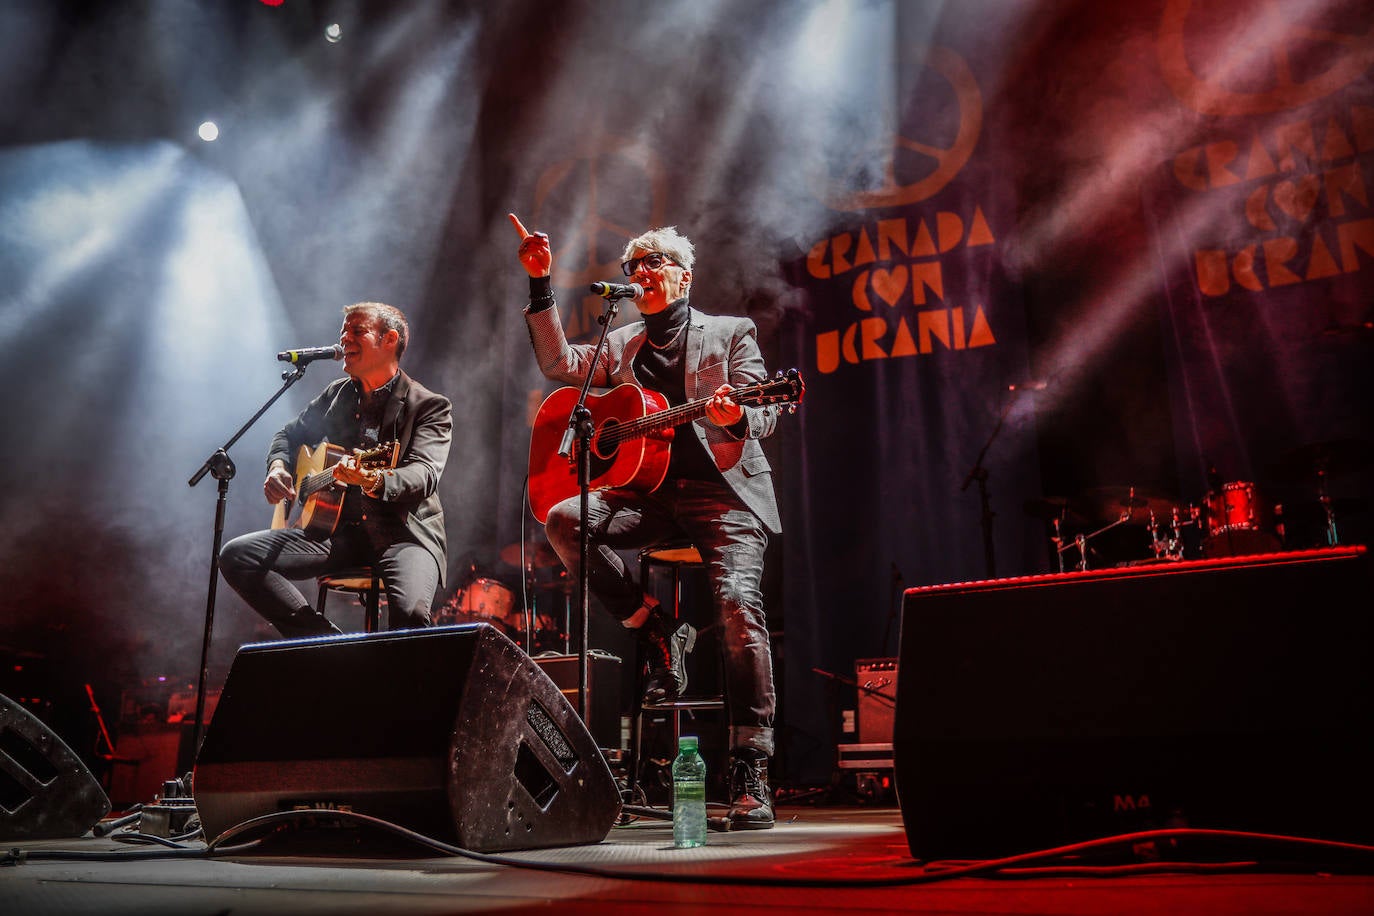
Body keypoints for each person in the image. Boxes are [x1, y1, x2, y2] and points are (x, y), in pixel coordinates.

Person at [509, 213, 781, 830]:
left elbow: (763, 414)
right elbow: (557, 365)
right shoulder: (622, 340)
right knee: (561, 519)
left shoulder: (730, 333)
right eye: (632, 268)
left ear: (682, 278)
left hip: (724, 496)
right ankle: (655, 627)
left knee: (738, 607)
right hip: (649, 497)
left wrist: (735, 417)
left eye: (652, 265)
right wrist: (541, 282)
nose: (640, 275)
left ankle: (751, 768)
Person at [219, 302, 452, 639]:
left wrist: (372, 478)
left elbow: (424, 474)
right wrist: (279, 467)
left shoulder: (428, 406)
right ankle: (327, 645)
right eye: (343, 331)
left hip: (403, 535)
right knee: (237, 557)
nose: (344, 339)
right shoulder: (336, 396)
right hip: (337, 536)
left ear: (389, 340)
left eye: (357, 331)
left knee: (412, 618)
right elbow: (288, 435)